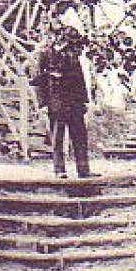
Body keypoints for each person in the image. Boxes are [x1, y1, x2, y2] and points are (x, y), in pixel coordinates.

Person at [31, 31, 91, 178]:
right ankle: (59, 170)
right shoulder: (45, 54)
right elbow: (38, 81)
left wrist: (84, 101)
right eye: (71, 43)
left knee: (80, 137)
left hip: (75, 102)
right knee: (57, 138)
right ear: (62, 40)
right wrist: (43, 103)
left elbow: (80, 79)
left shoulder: (73, 56)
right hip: (56, 102)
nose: (73, 47)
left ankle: (83, 170)